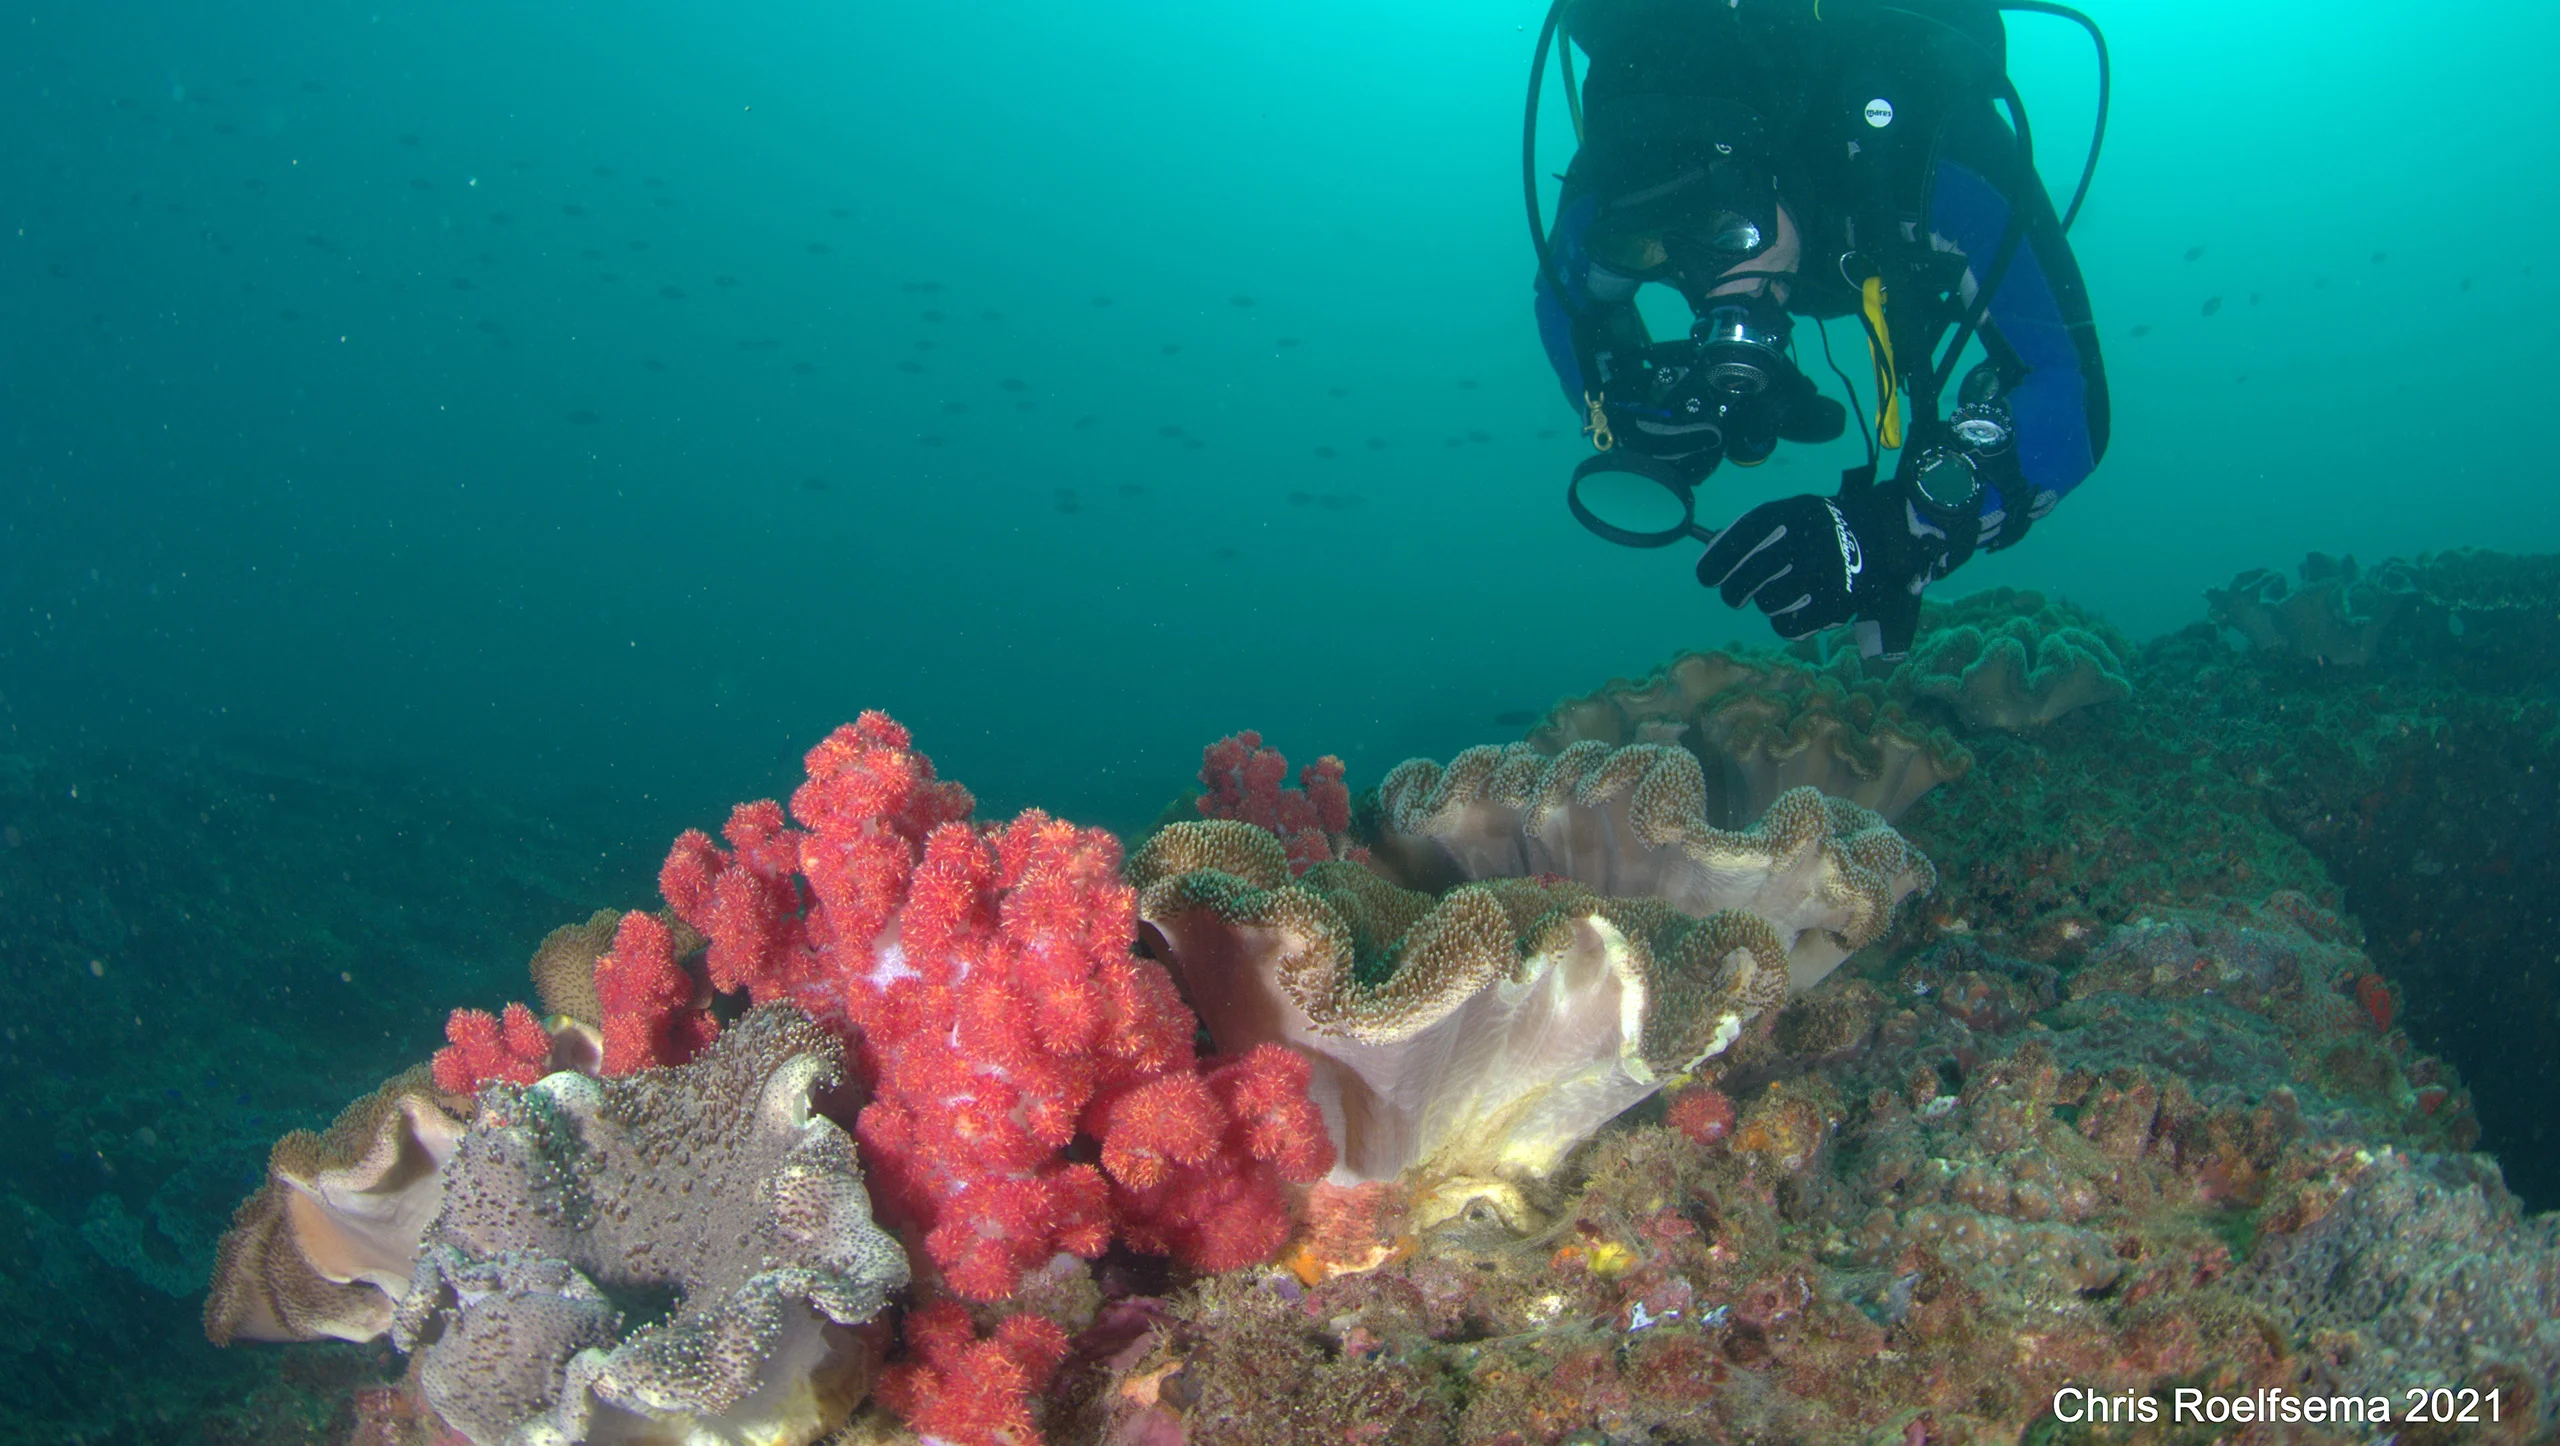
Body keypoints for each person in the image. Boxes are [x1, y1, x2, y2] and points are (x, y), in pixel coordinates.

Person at [1531, 0, 2109, 658]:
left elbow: (2076, 396)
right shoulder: (1619, 166)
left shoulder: (1933, 146)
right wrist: (1616, 403)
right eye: (1659, 251)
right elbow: (1562, 297)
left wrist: (1897, 532)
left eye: (1728, 233)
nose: (1709, 288)